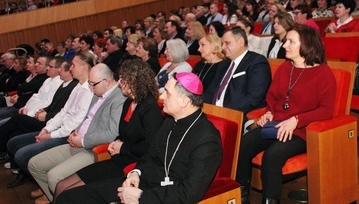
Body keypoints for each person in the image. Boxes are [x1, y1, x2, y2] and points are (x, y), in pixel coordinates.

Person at [56, 72, 222, 204]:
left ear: (184, 101)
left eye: (168, 94)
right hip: (142, 182)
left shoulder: (207, 140)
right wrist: (136, 172)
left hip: (161, 198)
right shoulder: (171, 120)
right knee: (69, 197)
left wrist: (140, 197)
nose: (161, 97)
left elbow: (188, 194)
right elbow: (150, 155)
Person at [236, 25, 337, 204]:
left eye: (291, 42)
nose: (284, 45)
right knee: (243, 144)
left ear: (306, 44)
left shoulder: (323, 73)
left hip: (303, 131)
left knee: (272, 155)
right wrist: (269, 112)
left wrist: (296, 120)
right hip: (276, 125)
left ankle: (270, 201)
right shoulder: (284, 68)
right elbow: (273, 99)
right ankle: (242, 197)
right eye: (285, 41)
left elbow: (326, 110)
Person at [53, 59, 163, 201]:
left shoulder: (150, 109)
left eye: (124, 79)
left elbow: (150, 149)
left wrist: (122, 147)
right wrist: (117, 143)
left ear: (136, 81)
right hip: (117, 160)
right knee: (61, 186)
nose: (120, 82)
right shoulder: (129, 102)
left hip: (133, 166)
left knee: (68, 195)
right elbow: (122, 134)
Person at [28, 63, 126, 203]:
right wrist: (76, 131)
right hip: (77, 142)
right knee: (34, 164)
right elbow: (88, 117)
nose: (90, 88)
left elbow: (111, 134)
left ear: (107, 81)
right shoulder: (98, 92)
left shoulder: (118, 99)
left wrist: (83, 140)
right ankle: (54, 199)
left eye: (93, 84)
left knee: (54, 177)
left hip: (94, 150)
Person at [5, 61, 78, 189]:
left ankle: (34, 179)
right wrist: (43, 111)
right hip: (49, 122)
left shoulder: (74, 86)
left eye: (60, 68)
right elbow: (52, 105)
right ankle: (23, 173)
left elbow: (66, 114)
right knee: (14, 137)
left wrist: (46, 119)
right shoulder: (63, 84)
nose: (58, 71)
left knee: (17, 122)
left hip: (57, 127)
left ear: (68, 72)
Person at [204, 27, 271, 120]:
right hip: (213, 112)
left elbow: (253, 98)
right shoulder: (223, 64)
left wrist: (225, 112)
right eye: (222, 44)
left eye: (227, 43)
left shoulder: (257, 62)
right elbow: (211, 92)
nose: (223, 47)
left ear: (240, 42)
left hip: (235, 115)